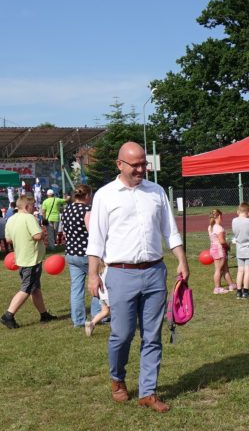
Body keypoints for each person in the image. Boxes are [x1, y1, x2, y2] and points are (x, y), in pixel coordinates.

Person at [87, 141, 189, 413]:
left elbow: (170, 231)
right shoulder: (105, 195)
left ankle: (148, 391)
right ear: (120, 164)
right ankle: (117, 378)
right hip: (121, 274)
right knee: (122, 334)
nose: (142, 169)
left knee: (152, 335)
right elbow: (96, 239)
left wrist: (181, 260)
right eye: (136, 165)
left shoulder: (156, 192)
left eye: (145, 164)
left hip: (155, 272)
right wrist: (93, 274)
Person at [0, 195, 56, 328]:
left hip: (21, 257)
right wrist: (43, 233)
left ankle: (44, 314)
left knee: (35, 288)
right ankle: (8, 315)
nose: (35, 208)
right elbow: (36, 236)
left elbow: (8, 239)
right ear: (26, 206)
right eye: (33, 206)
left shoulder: (11, 219)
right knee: (26, 288)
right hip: (31, 258)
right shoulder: (29, 218)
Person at [61, 184, 100, 328]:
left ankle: (78, 320)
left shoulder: (66, 211)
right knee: (98, 283)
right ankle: (98, 314)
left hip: (71, 253)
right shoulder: (88, 210)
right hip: (87, 254)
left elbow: (64, 232)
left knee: (76, 288)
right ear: (88, 196)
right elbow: (93, 233)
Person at [231, 202, 249, 299]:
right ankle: (246, 291)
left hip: (239, 249)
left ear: (238, 211)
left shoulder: (234, 221)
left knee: (240, 271)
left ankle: (238, 291)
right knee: (248, 271)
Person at [208, 209, 236, 295]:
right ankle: (217, 288)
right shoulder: (219, 228)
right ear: (219, 216)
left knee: (225, 268)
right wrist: (228, 245)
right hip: (219, 250)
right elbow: (222, 241)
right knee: (219, 270)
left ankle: (231, 285)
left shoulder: (210, 227)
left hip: (213, 248)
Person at [84, 262, 110, 337]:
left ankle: (92, 323)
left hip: (102, 295)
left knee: (104, 311)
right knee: (116, 311)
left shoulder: (98, 271)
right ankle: (116, 327)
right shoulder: (109, 270)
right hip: (109, 295)